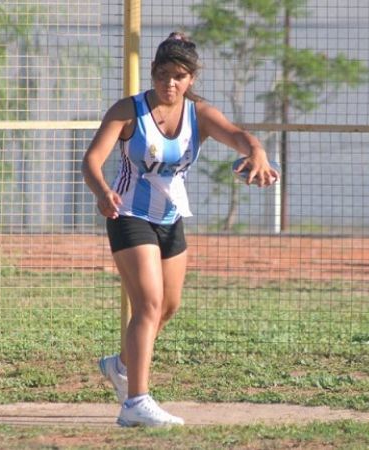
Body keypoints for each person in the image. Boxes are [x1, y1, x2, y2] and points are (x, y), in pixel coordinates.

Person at [82, 31, 279, 428]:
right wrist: (102, 191)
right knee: (149, 305)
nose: (169, 83)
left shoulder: (199, 113)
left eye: (179, 76)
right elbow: (91, 160)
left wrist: (257, 152)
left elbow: (238, 136)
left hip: (171, 218)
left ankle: (120, 366)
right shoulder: (128, 111)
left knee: (168, 307)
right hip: (128, 214)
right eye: (162, 75)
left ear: (191, 78)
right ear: (152, 73)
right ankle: (136, 402)